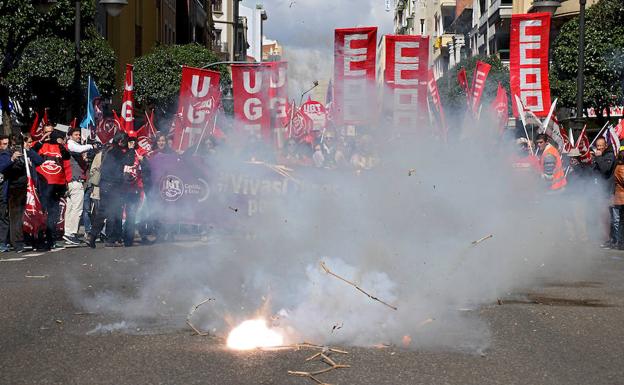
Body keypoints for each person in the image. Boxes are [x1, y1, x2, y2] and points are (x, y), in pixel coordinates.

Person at [85, 132, 133, 248]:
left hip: (106, 185)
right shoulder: (116, 152)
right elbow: (129, 161)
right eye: (125, 141)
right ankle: (95, 236)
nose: (127, 144)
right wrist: (131, 150)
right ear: (120, 141)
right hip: (112, 186)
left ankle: (100, 237)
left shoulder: (110, 150)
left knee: (108, 212)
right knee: (108, 212)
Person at [32, 124, 71, 249]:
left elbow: (66, 158)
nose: (49, 135)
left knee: (54, 213)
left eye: (50, 132)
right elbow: (31, 151)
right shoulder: (40, 145)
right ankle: (38, 237)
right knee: (41, 212)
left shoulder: (59, 146)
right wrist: (42, 139)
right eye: (46, 132)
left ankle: (51, 238)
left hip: (57, 184)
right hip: (43, 184)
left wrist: (61, 143)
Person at [4, 133, 43, 252]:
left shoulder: (25, 151)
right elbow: (3, 167)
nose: (17, 146)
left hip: (27, 187)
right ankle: (17, 243)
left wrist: (28, 150)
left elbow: (39, 160)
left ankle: (31, 239)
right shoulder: (6, 153)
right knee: (16, 216)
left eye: (19, 143)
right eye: (14, 143)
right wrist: (12, 159)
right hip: (14, 188)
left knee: (29, 214)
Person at [63, 128, 95, 245]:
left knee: (71, 209)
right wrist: (91, 146)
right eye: (76, 134)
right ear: (70, 136)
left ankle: (68, 233)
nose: (78, 136)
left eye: (79, 135)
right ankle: (72, 233)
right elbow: (78, 148)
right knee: (77, 209)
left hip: (72, 181)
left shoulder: (74, 147)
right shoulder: (71, 145)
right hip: (75, 181)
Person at [591, 137, 617, 248]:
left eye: (601, 145)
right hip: (600, 190)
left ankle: (609, 239)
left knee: (607, 217)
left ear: (606, 145)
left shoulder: (609, 155)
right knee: (603, 216)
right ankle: (607, 238)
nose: (599, 148)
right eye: (598, 146)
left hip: (608, 191)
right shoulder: (600, 156)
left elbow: (605, 169)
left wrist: (599, 157)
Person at [0, 134, 18, 251]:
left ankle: (3, 242)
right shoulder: (5, 156)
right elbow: (1, 167)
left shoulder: (7, 154)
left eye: (8, 144)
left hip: (3, 191)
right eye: (4, 144)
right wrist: (11, 160)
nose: (7, 146)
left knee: (3, 216)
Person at [611, 151, 624, 249]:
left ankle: (620, 242)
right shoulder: (622, 168)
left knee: (620, 221)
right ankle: (621, 242)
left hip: (620, 196)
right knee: (621, 221)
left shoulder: (619, 167)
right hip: (621, 197)